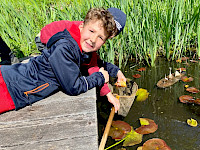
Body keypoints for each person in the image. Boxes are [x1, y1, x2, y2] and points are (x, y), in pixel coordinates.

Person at [0, 7, 127, 114]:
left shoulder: (78, 45)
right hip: (9, 88)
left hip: (11, 85)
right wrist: (99, 77)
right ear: (81, 26)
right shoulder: (65, 49)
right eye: (91, 31)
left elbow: (93, 61)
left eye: (100, 37)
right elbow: (73, 87)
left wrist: (115, 71)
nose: (93, 39)